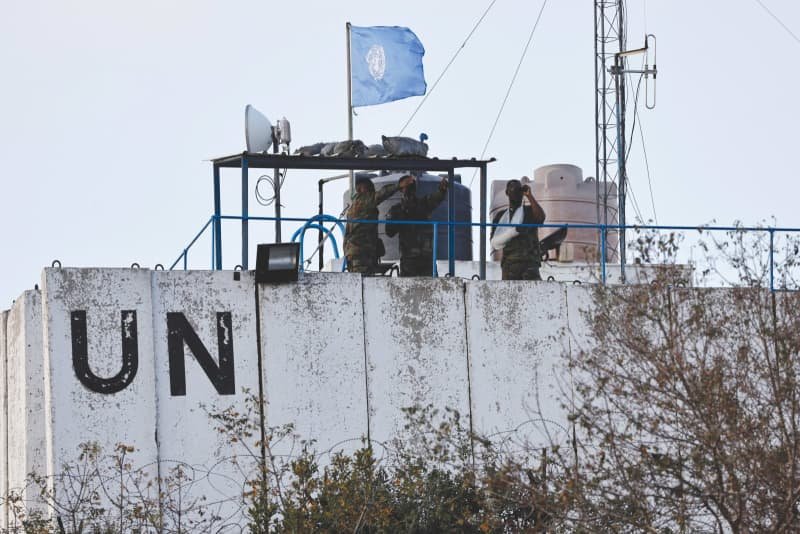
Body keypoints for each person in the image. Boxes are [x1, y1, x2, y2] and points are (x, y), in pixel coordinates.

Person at [385, 174, 448, 277]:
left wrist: (442, 190)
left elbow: (436, 198)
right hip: (409, 257)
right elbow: (389, 232)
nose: (410, 188)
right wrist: (401, 217)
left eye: (412, 185)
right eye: (407, 185)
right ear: (401, 189)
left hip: (426, 256)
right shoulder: (396, 210)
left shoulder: (423, 204)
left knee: (431, 284)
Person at [343, 176, 401, 274]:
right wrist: (398, 186)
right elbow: (381, 195)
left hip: (359, 253)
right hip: (361, 253)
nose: (372, 190)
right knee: (363, 280)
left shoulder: (355, 205)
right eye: (369, 188)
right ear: (360, 189)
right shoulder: (363, 201)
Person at [490, 178, 546, 280]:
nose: (516, 193)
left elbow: (540, 218)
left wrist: (529, 196)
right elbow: (494, 242)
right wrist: (513, 232)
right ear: (507, 192)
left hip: (530, 263)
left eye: (518, 190)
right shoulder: (500, 216)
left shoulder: (529, 211)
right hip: (509, 263)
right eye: (512, 189)